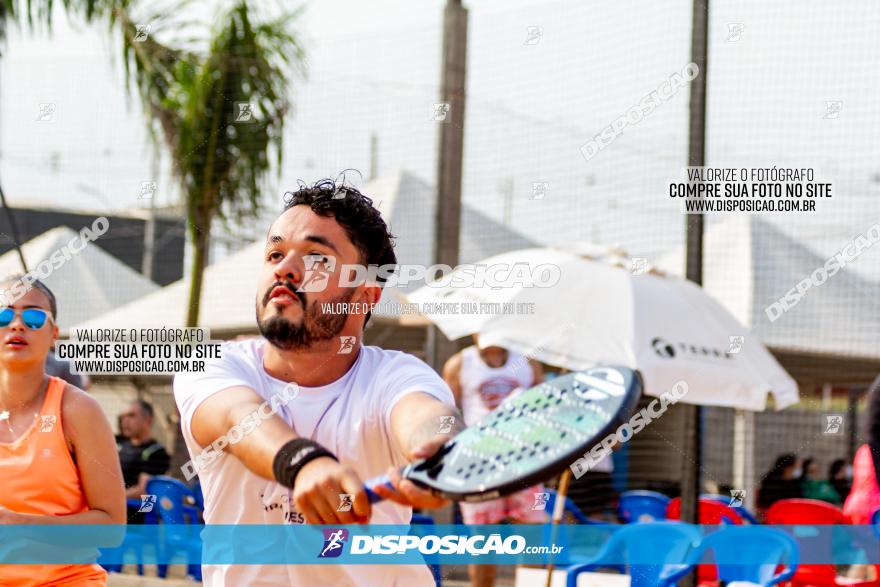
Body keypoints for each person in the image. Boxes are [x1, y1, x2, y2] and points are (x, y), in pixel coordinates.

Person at [173, 179, 460, 586]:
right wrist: (303, 463)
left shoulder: (397, 375)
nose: (285, 268)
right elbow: (236, 418)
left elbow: (425, 415)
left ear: (364, 295)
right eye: (275, 253)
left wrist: (436, 453)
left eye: (316, 257)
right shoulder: (215, 364)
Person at [0, 276, 126, 585]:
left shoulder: (77, 410)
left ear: (53, 334)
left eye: (33, 316)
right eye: (4, 314)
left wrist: (21, 524)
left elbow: (112, 527)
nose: (17, 324)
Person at [442, 334, 546, 587]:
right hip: (479, 465)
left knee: (531, 537)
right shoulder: (459, 363)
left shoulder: (529, 361)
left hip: (524, 462)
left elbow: (544, 407)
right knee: (483, 541)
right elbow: (445, 410)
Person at [117, 399, 171, 522]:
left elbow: (144, 490)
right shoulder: (119, 445)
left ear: (148, 420)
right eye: (123, 416)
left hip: (137, 520)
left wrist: (111, 499)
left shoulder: (156, 452)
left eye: (131, 416)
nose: (125, 421)